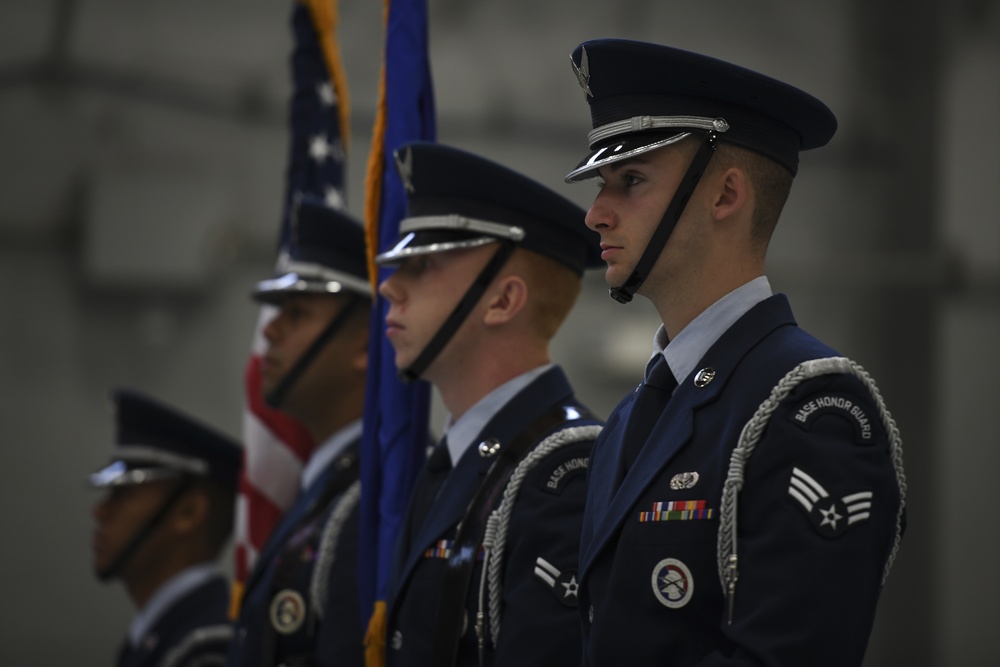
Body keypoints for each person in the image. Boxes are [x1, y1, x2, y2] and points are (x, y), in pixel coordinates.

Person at [561, 38, 907, 666]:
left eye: (630, 180)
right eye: (601, 184)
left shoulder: (813, 406)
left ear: (725, 196)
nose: (596, 215)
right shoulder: (630, 418)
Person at [375, 142, 605, 667]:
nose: (390, 288)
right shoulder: (450, 462)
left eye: (422, 267)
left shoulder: (565, 472)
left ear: (503, 301)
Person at [226, 196, 371, 667]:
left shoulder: (375, 496)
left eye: (297, 314)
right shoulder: (329, 484)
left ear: (365, 346)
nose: (269, 332)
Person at [90, 388, 243, 667]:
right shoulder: (161, 632)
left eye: (124, 494)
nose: (100, 511)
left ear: (189, 513)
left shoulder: (209, 646)